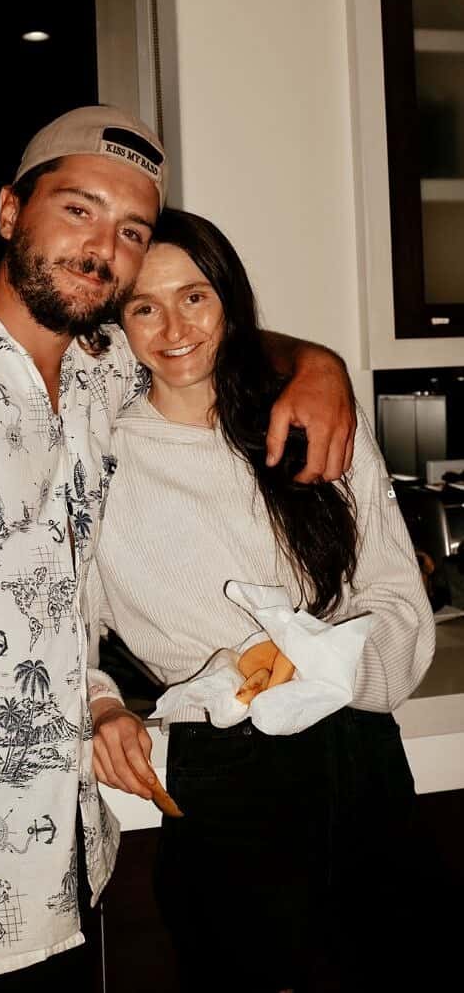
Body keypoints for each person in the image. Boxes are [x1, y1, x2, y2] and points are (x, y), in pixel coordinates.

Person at [0, 107, 356, 993]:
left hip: (58, 880)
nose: (103, 248)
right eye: (79, 209)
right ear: (11, 212)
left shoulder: (100, 368)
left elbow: (207, 340)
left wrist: (320, 364)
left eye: (132, 230)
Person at [88, 207, 436, 993]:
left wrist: (318, 659)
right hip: (225, 767)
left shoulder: (312, 419)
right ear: (119, 323)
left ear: (230, 301)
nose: (174, 329)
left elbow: (396, 599)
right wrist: (101, 705)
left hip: (359, 750)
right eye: (144, 307)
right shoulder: (99, 459)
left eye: (195, 298)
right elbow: (61, 624)